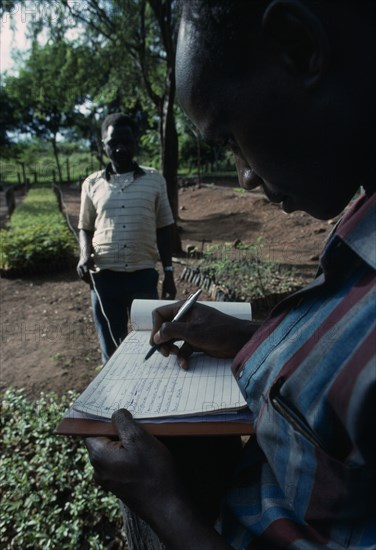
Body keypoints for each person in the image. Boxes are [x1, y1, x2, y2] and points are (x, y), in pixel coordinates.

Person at [85, 2, 376, 548]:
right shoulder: (358, 229)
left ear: (298, 46)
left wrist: (167, 509)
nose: (243, 176)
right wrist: (249, 336)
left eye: (228, 137)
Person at [77, 113, 176, 363]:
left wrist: (169, 272)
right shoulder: (92, 183)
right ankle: (114, 397)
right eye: (113, 142)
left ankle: (148, 394)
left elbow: (165, 227)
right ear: (103, 144)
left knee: (151, 342)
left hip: (142, 276)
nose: (120, 147)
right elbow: (85, 227)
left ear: (135, 143)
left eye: (127, 141)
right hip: (103, 277)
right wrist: (83, 254)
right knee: (111, 347)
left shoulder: (154, 179)